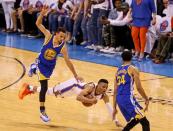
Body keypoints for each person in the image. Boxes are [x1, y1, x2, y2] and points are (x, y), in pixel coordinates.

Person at [21, 6, 83, 123]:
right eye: (61, 36)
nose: (62, 39)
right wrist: (42, 14)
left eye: (64, 37)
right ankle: (42, 111)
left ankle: (33, 69)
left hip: (49, 68)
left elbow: (68, 61)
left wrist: (75, 75)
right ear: (56, 34)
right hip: (41, 63)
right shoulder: (48, 36)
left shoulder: (62, 47)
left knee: (43, 84)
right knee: (44, 88)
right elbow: (38, 24)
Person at [19, 78, 122, 127]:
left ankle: (30, 88)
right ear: (98, 85)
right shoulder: (91, 87)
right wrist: (91, 100)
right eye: (103, 86)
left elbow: (110, 108)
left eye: (106, 87)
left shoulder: (104, 96)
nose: (104, 89)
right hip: (72, 85)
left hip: (73, 92)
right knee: (51, 91)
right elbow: (78, 97)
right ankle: (29, 87)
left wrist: (116, 121)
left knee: (50, 92)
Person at [112, 51, 150, 131]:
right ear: (131, 57)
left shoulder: (118, 71)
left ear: (122, 59)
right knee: (145, 122)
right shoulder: (133, 69)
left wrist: (114, 108)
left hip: (120, 99)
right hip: (127, 98)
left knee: (137, 118)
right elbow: (139, 87)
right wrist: (146, 98)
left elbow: (115, 91)